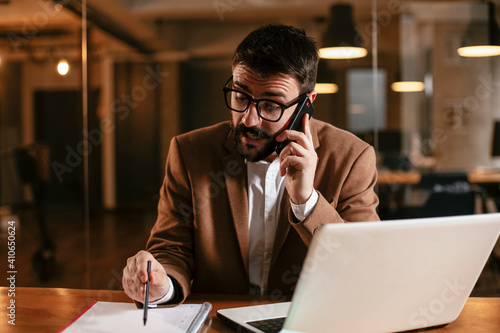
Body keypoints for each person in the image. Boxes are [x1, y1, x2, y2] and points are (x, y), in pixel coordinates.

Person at [122, 24, 379, 306]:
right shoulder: (190, 152)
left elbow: (364, 265)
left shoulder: (352, 158)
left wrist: (306, 202)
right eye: (241, 97)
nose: (249, 120)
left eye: (271, 105)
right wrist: (163, 285)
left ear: (306, 104)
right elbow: (172, 248)